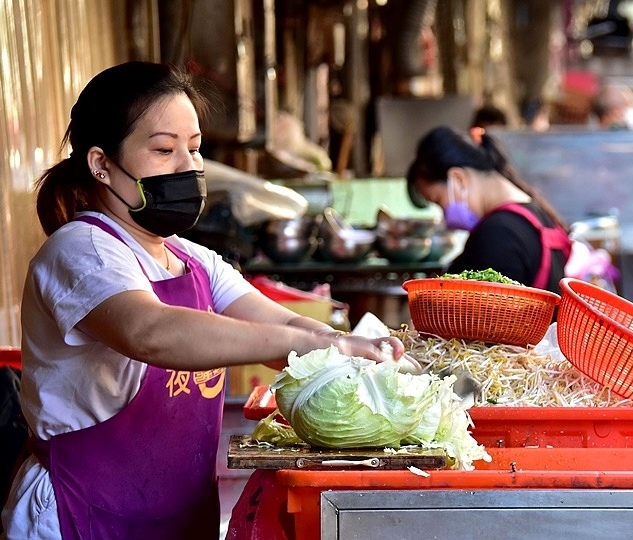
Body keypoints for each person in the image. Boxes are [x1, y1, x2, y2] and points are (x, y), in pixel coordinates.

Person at [0, 61, 416, 540]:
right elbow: (149, 332)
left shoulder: (190, 257)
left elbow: (287, 326)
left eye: (195, 149)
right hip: (82, 511)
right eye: (164, 150)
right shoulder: (81, 250)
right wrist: (322, 348)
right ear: (101, 164)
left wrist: (352, 348)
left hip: (174, 512)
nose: (188, 167)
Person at [406, 126, 570, 295]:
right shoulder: (537, 215)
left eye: (438, 201)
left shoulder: (499, 233)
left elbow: (480, 318)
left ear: (458, 178)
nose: (444, 216)